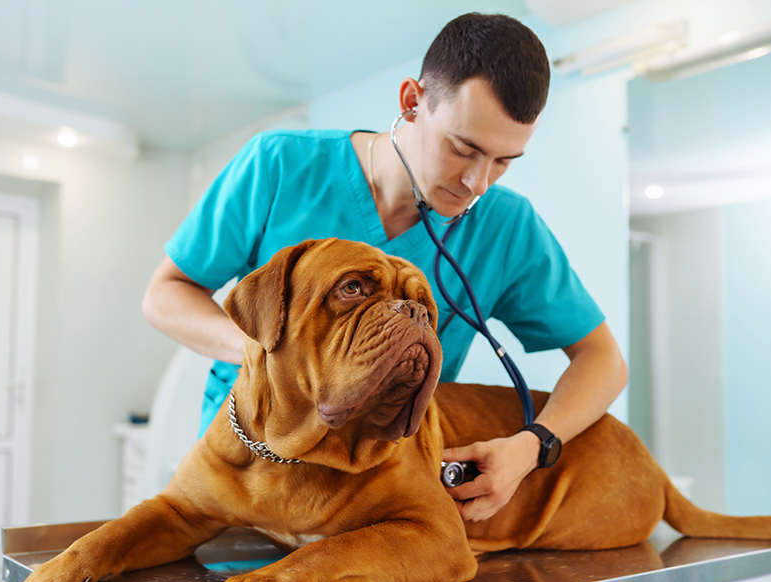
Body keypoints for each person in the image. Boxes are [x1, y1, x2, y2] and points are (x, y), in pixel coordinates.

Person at [143, 12, 627, 523]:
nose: (477, 183)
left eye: (504, 161)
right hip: (245, 479)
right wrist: (269, 353)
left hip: (370, 506)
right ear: (412, 103)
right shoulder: (281, 164)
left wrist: (532, 447)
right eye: (464, 148)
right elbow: (166, 293)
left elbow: (602, 359)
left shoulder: (506, 227)